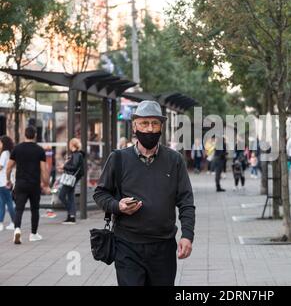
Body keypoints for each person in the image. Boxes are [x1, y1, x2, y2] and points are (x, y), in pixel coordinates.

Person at [93, 100, 195, 286]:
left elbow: (186, 201)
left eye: (154, 123)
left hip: (163, 247)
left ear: (161, 126)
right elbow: (100, 194)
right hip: (127, 246)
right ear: (135, 126)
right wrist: (118, 206)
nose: (149, 129)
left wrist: (187, 235)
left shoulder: (175, 160)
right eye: (144, 123)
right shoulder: (118, 158)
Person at [6, 126, 51, 244]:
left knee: (19, 209)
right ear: (35, 135)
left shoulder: (17, 149)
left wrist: (8, 180)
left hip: (20, 183)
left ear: (24, 135)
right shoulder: (39, 150)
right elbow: (43, 169)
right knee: (35, 209)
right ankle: (33, 234)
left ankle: (17, 230)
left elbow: (9, 167)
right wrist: (46, 184)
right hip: (34, 184)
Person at [58, 138, 85, 224]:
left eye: (70, 144)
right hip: (72, 178)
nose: (69, 146)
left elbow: (74, 167)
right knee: (70, 196)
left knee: (61, 195)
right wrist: (64, 166)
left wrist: (64, 167)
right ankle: (71, 217)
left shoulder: (76, 154)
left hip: (70, 179)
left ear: (73, 145)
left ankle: (71, 213)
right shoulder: (76, 154)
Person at [0, 136, 15, 231]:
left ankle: (14, 222)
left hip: (3, 181)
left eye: (0, 143)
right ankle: (1, 223)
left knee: (7, 202)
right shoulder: (8, 153)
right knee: (2, 203)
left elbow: (0, 166)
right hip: (4, 181)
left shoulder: (4, 153)